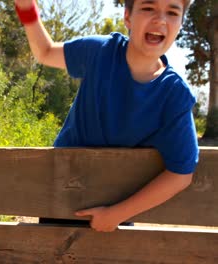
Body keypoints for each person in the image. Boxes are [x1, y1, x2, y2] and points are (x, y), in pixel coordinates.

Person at [15, 0, 198, 232]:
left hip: (116, 210)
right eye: (148, 8)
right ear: (128, 17)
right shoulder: (100, 52)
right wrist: (26, 7)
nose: (160, 19)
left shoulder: (175, 96)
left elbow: (181, 173)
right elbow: (45, 52)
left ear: (180, 24)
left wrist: (116, 214)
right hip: (62, 196)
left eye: (172, 12)